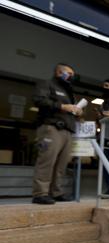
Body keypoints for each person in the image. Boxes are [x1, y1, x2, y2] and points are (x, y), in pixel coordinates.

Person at [32, 63, 83, 205]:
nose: (72, 76)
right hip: (52, 128)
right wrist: (62, 106)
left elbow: (70, 110)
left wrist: (77, 112)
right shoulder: (46, 84)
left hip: (68, 131)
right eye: (69, 73)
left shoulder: (69, 92)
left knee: (62, 165)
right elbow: (39, 100)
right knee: (46, 161)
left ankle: (56, 192)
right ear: (59, 72)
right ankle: (40, 193)